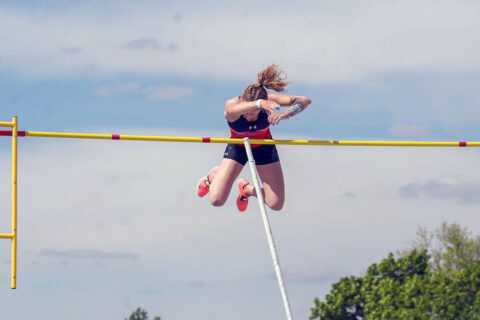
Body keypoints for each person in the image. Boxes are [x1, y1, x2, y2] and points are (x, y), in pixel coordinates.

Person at [196, 64, 311, 212]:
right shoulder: (234, 105)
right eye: (247, 108)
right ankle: (212, 177)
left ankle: (247, 189)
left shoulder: (268, 100)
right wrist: (258, 104)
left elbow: (305, 100)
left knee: (275, 204)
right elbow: (230, 109)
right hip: (238, 148)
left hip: (264, 148)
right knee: (216, 200)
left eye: (253, 111)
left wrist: (286, 114)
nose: (248, 114)